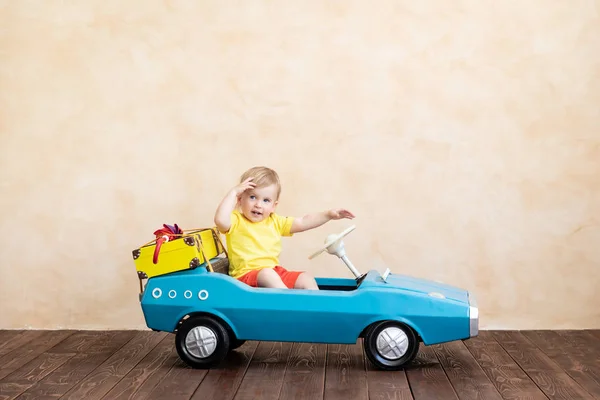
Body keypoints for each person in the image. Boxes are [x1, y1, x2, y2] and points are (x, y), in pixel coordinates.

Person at [214, 166, 355, 290]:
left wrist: (328, 214)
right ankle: (289, 305)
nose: (258, 205)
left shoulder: (275, 221)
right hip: (245, 278)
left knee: (305, 278)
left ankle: (316, 312)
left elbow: (303, 222)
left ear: (273, 206)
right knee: (267, 274)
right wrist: (233, 193)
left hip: (274, 272)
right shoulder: (235, 220)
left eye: (266, 200)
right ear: (240, 200)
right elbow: (220, 220)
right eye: (252, 197)